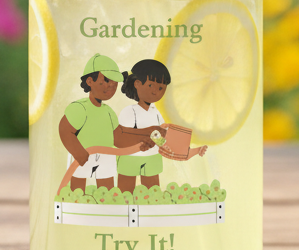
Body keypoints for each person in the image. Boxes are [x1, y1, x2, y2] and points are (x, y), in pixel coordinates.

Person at [113, 58, 206, 194]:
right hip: (130, 157)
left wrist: (165, 143)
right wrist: (145, 138)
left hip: (152, 158)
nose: (156, 91)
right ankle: (123, 212)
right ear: (137, 84)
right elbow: (123, 137)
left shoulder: (156, 113)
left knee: (152, 194)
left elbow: (160, 136)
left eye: (161, 88)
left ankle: (191, 152)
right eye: (151, 85)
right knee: (125, 193)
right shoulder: (129, 111)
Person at [57, 53, 146, 194]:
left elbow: (119, 137)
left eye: (115, 82)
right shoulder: (80, 108)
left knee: (107, 189)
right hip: (83, 154)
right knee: (78, 188)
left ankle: (107, 210)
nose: (111, 85)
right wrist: (78, 152)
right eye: (106, 80)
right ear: (89, 81)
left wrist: (141, 141)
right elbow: (65, 129)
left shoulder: (109, 112)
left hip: (106, 156)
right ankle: (76, 208)